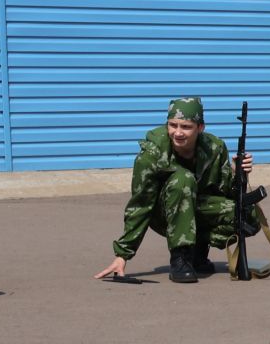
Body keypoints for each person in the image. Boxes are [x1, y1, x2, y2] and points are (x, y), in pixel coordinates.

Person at [95, 97, 254, 284]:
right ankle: (181, 258)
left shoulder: (215, 148)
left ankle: (197, 253)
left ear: (200, 128)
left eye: (186, 127)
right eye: (173, 125)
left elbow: (228, 194)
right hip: (162, 214)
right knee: (183, 179)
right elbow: (141, 204)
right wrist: (123, 255)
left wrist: (239, 173)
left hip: (195, 209)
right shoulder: (152, 154)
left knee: (248, 216)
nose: (178, 133)